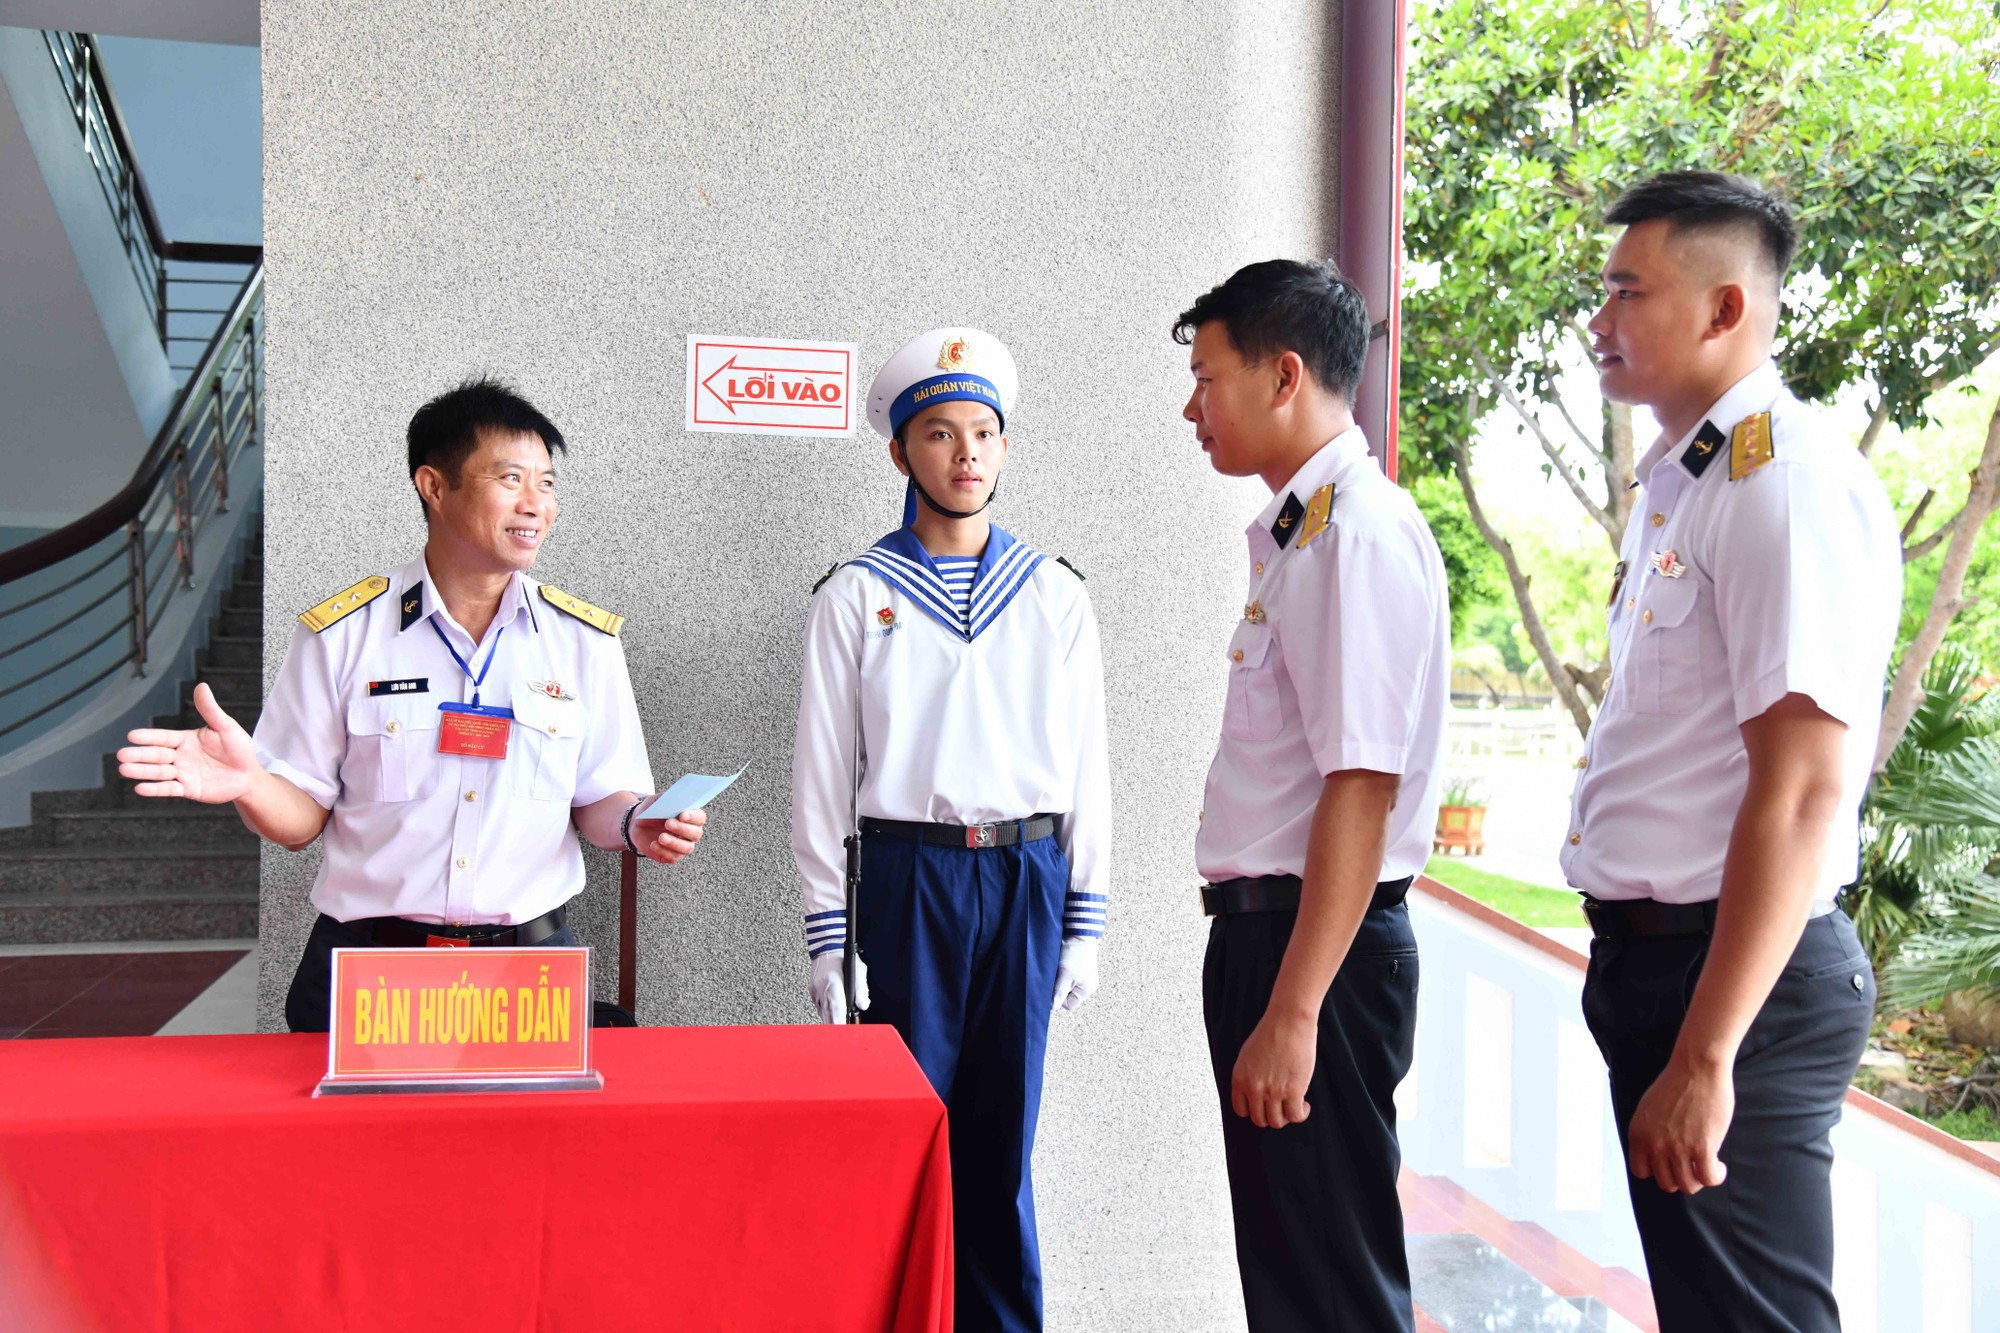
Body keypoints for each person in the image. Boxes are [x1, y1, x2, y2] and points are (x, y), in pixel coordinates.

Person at [116, 378, 708, 1032]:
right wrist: (251, 783)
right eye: (510, 478)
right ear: (434, 485)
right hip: (369, 971)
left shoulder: (582, 643)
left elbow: (597, 799)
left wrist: (637, 822)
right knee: (354, 1140)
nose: (536, 503)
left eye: (547, 482)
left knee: (523, 1140)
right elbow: (300, 817)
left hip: (526, 975)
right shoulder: (343, 634)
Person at [1568, 171, 1900, 1332]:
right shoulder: (1690, 484)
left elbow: (1803, 791)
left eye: (1625, 292)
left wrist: (1707, 1052)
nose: (1597, 322)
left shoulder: (1779, 482)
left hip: (1735, 984)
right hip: (1671, 968)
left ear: (1722, 311)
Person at [789, 327, 1110, 1332]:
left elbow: (1087, 767)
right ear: (899, 454)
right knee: (900, 1139)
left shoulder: (1053, 594)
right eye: (937, 433)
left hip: (1025, 876)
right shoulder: (855, 595)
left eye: (982, 431)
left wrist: (1085, 918)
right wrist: (826, 931)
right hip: (905, 878)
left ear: (1004, 448)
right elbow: (820, 779)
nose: (964, 452)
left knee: (998, 1144)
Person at [1177, 259, 1449, 1333]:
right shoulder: (1301, 534)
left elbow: (1360, 787)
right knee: (1294, 1280)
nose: (1189, 406)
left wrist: (1293, 1010)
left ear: (1283, 374)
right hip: (1278, 944)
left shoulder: (1351, 533)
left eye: (1206, 377)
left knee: (1330, 1285)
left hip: (1314, 956)